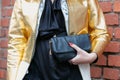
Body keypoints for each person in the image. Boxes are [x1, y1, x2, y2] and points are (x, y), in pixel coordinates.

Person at [7, 0, 110, 80]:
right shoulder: (23, 1)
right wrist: (12, 77)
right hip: (35, 70)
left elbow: (100, 32)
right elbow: (16, 40)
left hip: (73, 70)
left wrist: (92, 56)